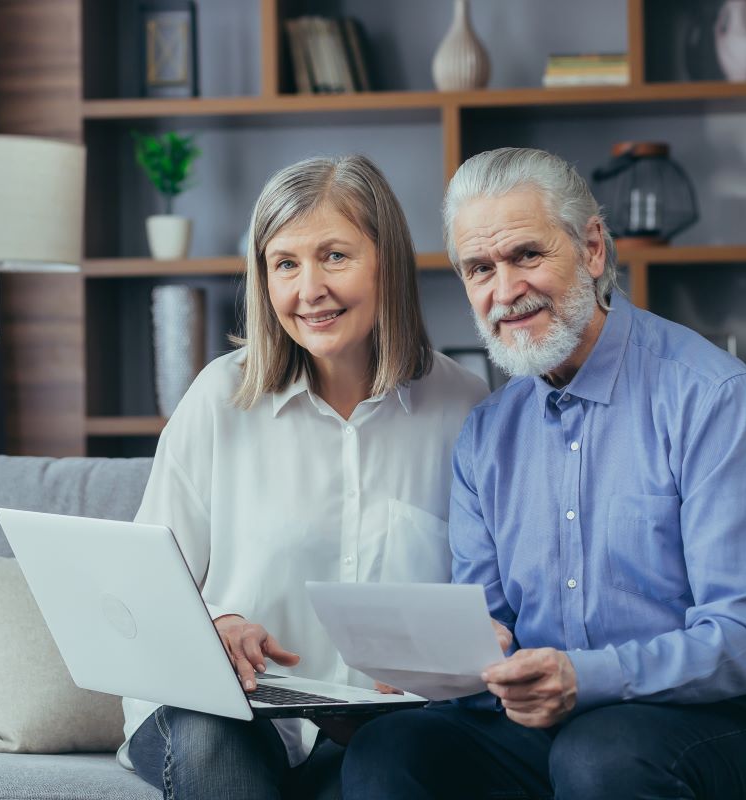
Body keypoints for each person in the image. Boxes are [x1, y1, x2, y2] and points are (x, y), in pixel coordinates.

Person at [341, 147, 746, 800]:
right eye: (480, 268)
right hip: (551, 722)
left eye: (526, 256)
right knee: (388, 752)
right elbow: (490, 622)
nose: (504, 292)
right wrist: (450, 663)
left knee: (600, 760)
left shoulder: (709, 397)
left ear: (592, 248)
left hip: (732, 713)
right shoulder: (486, 436)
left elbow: (743, 643)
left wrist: (586, 678)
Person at [120, 154, 489, 800]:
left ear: (388, 263)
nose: (308, 289)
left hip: (380, 730)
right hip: (219, 713)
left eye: (334, 257)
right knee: (215, 741)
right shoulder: (218, 399)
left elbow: (489, 604)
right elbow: (141, 595)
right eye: (285, 264)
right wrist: (213, 628)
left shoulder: (464, 408)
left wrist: (432, 671)